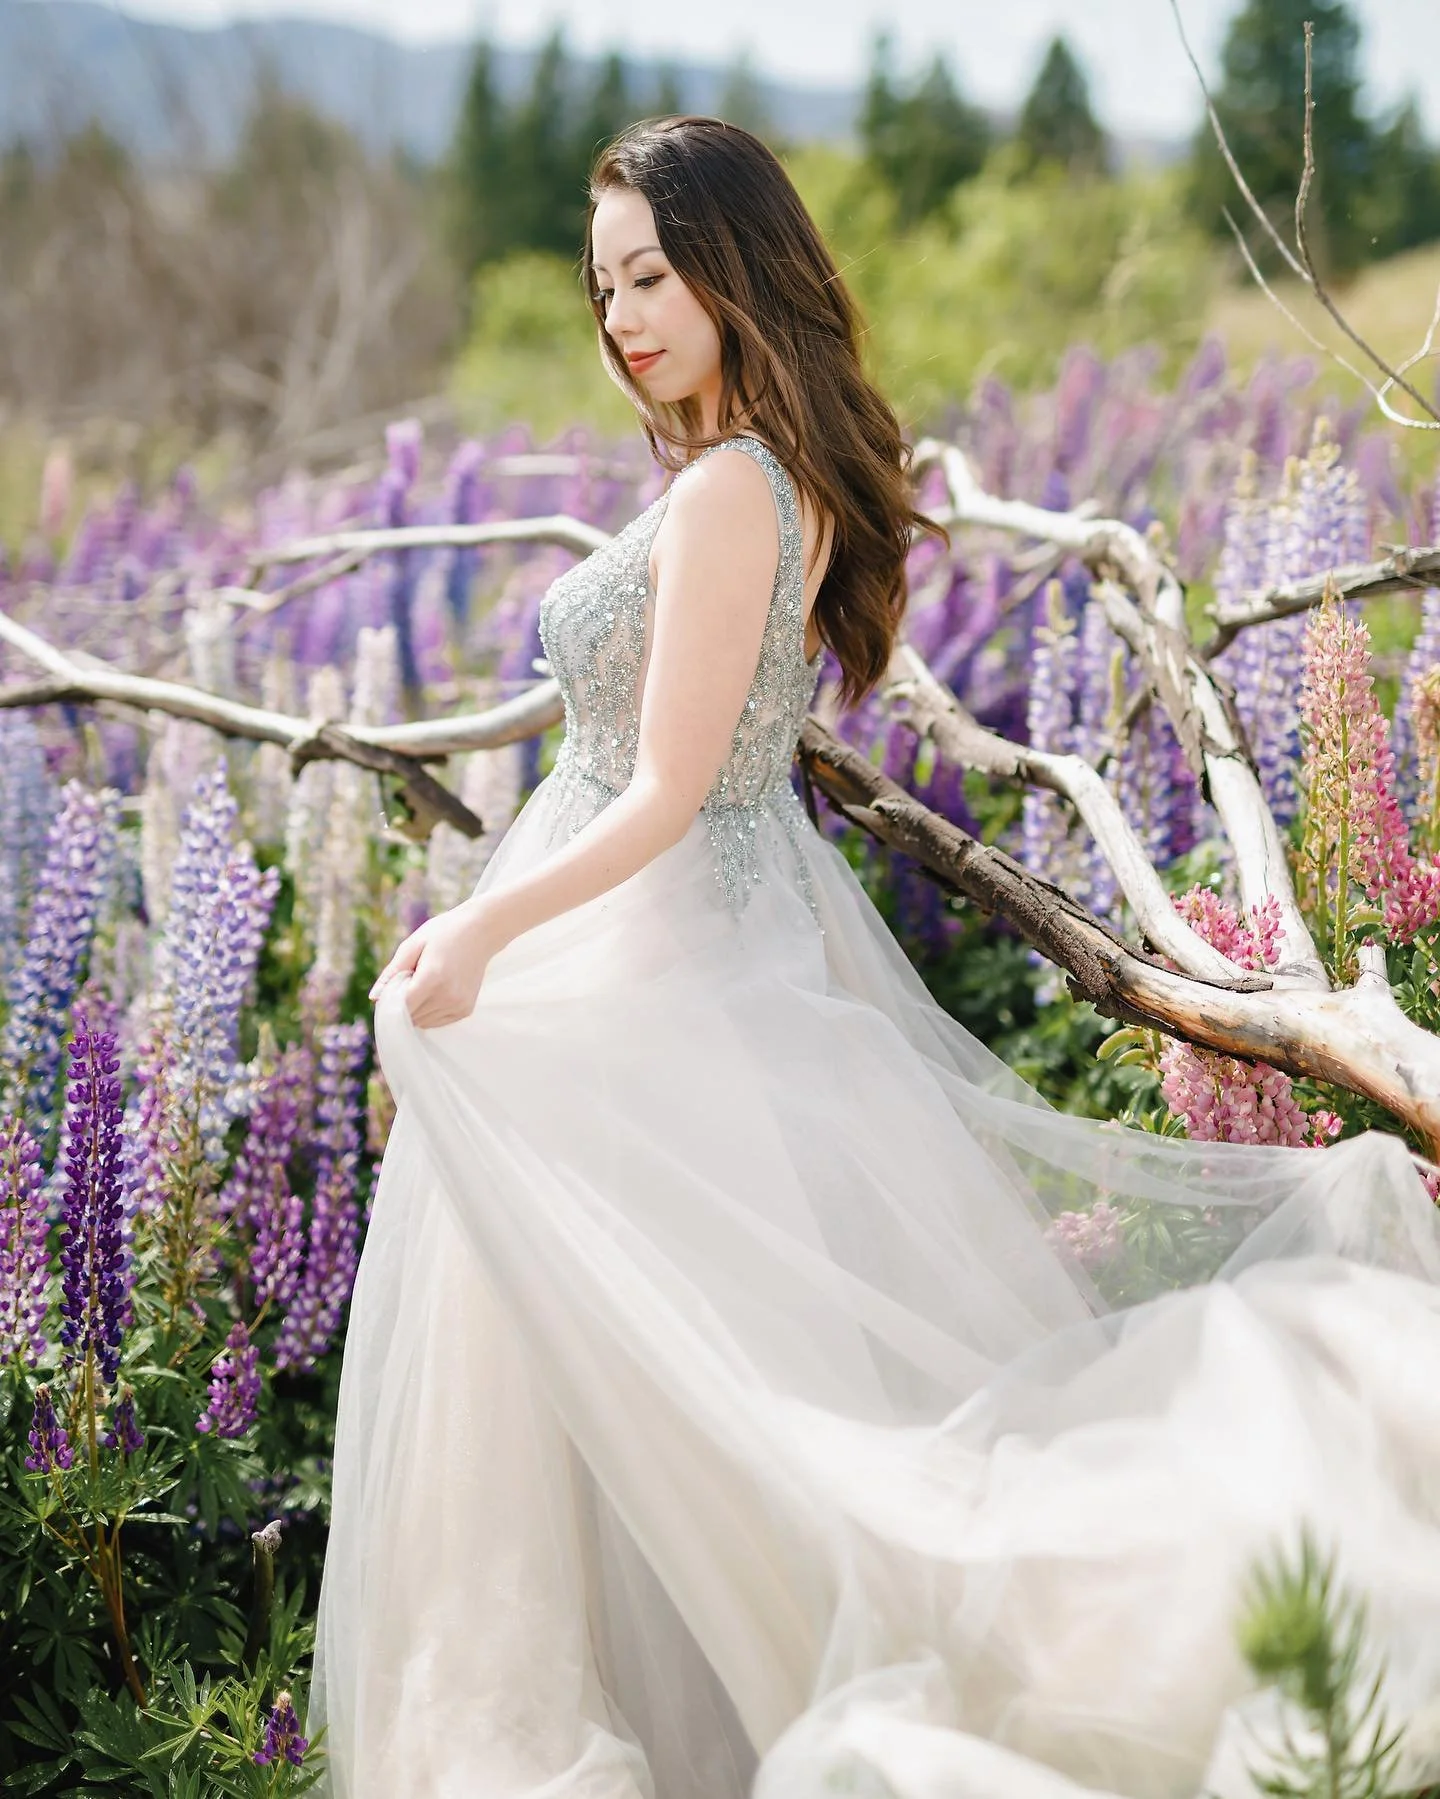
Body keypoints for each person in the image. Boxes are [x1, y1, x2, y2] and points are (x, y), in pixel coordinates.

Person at [307, 117, 1440, 1799]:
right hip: (689, 949)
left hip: (645, 964)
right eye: (604, 285)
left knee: (676, 1388)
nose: (623, 316)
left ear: (734, 266)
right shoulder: (764, 475)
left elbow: (672, 788)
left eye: (652, 274)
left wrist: (475, 926)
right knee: (678, 1384)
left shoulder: (730, 490)